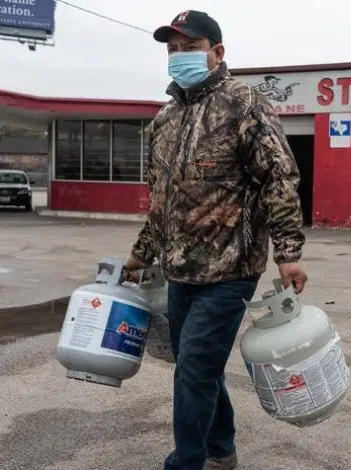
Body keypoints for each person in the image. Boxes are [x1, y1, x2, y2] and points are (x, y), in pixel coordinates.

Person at [123, 10, 308, 470]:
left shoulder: (244, 104)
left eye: (189, 47)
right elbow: (160, 202)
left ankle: (187, 462)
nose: (178, 56)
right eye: (172, 49)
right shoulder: (165, 119)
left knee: (192, 372)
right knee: (198, 366)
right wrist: (140, 255)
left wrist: (288, 253)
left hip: (231, 268)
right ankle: (221, 449)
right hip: (179, 269)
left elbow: (278, 179)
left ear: (217, 52)